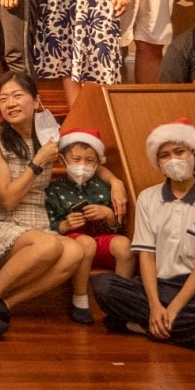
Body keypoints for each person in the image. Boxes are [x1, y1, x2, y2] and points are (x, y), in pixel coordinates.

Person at [89, 119, 195, 349]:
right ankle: (160, 323)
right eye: (164, 155)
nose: (173, 160)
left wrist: (174, 309)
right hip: (155, 286)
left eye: (179, 152)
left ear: (194, 154)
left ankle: (139, 326)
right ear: (158, 162)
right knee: (103, 286)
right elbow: (146, 255)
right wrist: (155, 306)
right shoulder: (148, 198)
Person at [0, 72, 92, 323]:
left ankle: (7, 304)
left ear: (36, 102)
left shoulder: (50, 136)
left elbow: (89, 155)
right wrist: (36, 163)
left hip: (37, 222)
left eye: (17, 96)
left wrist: (115, 182)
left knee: (75, 252)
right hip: (2, 222)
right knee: (49, 245)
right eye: (3, 99)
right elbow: (6, 200)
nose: (10, 103)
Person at [44, 132, 130, 322]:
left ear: (98, 164)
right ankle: (80, 300)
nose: (82, 165)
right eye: (76, 159)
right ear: (63, 160)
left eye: (89, 160)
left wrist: (108, 215)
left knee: (125, 246)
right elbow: (49, 223)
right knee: (86, 243)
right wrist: (64, 225)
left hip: (100, 237)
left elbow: (116, 227)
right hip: (74, 241)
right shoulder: (54, 189)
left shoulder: (103, 187)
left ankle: (121, 301)